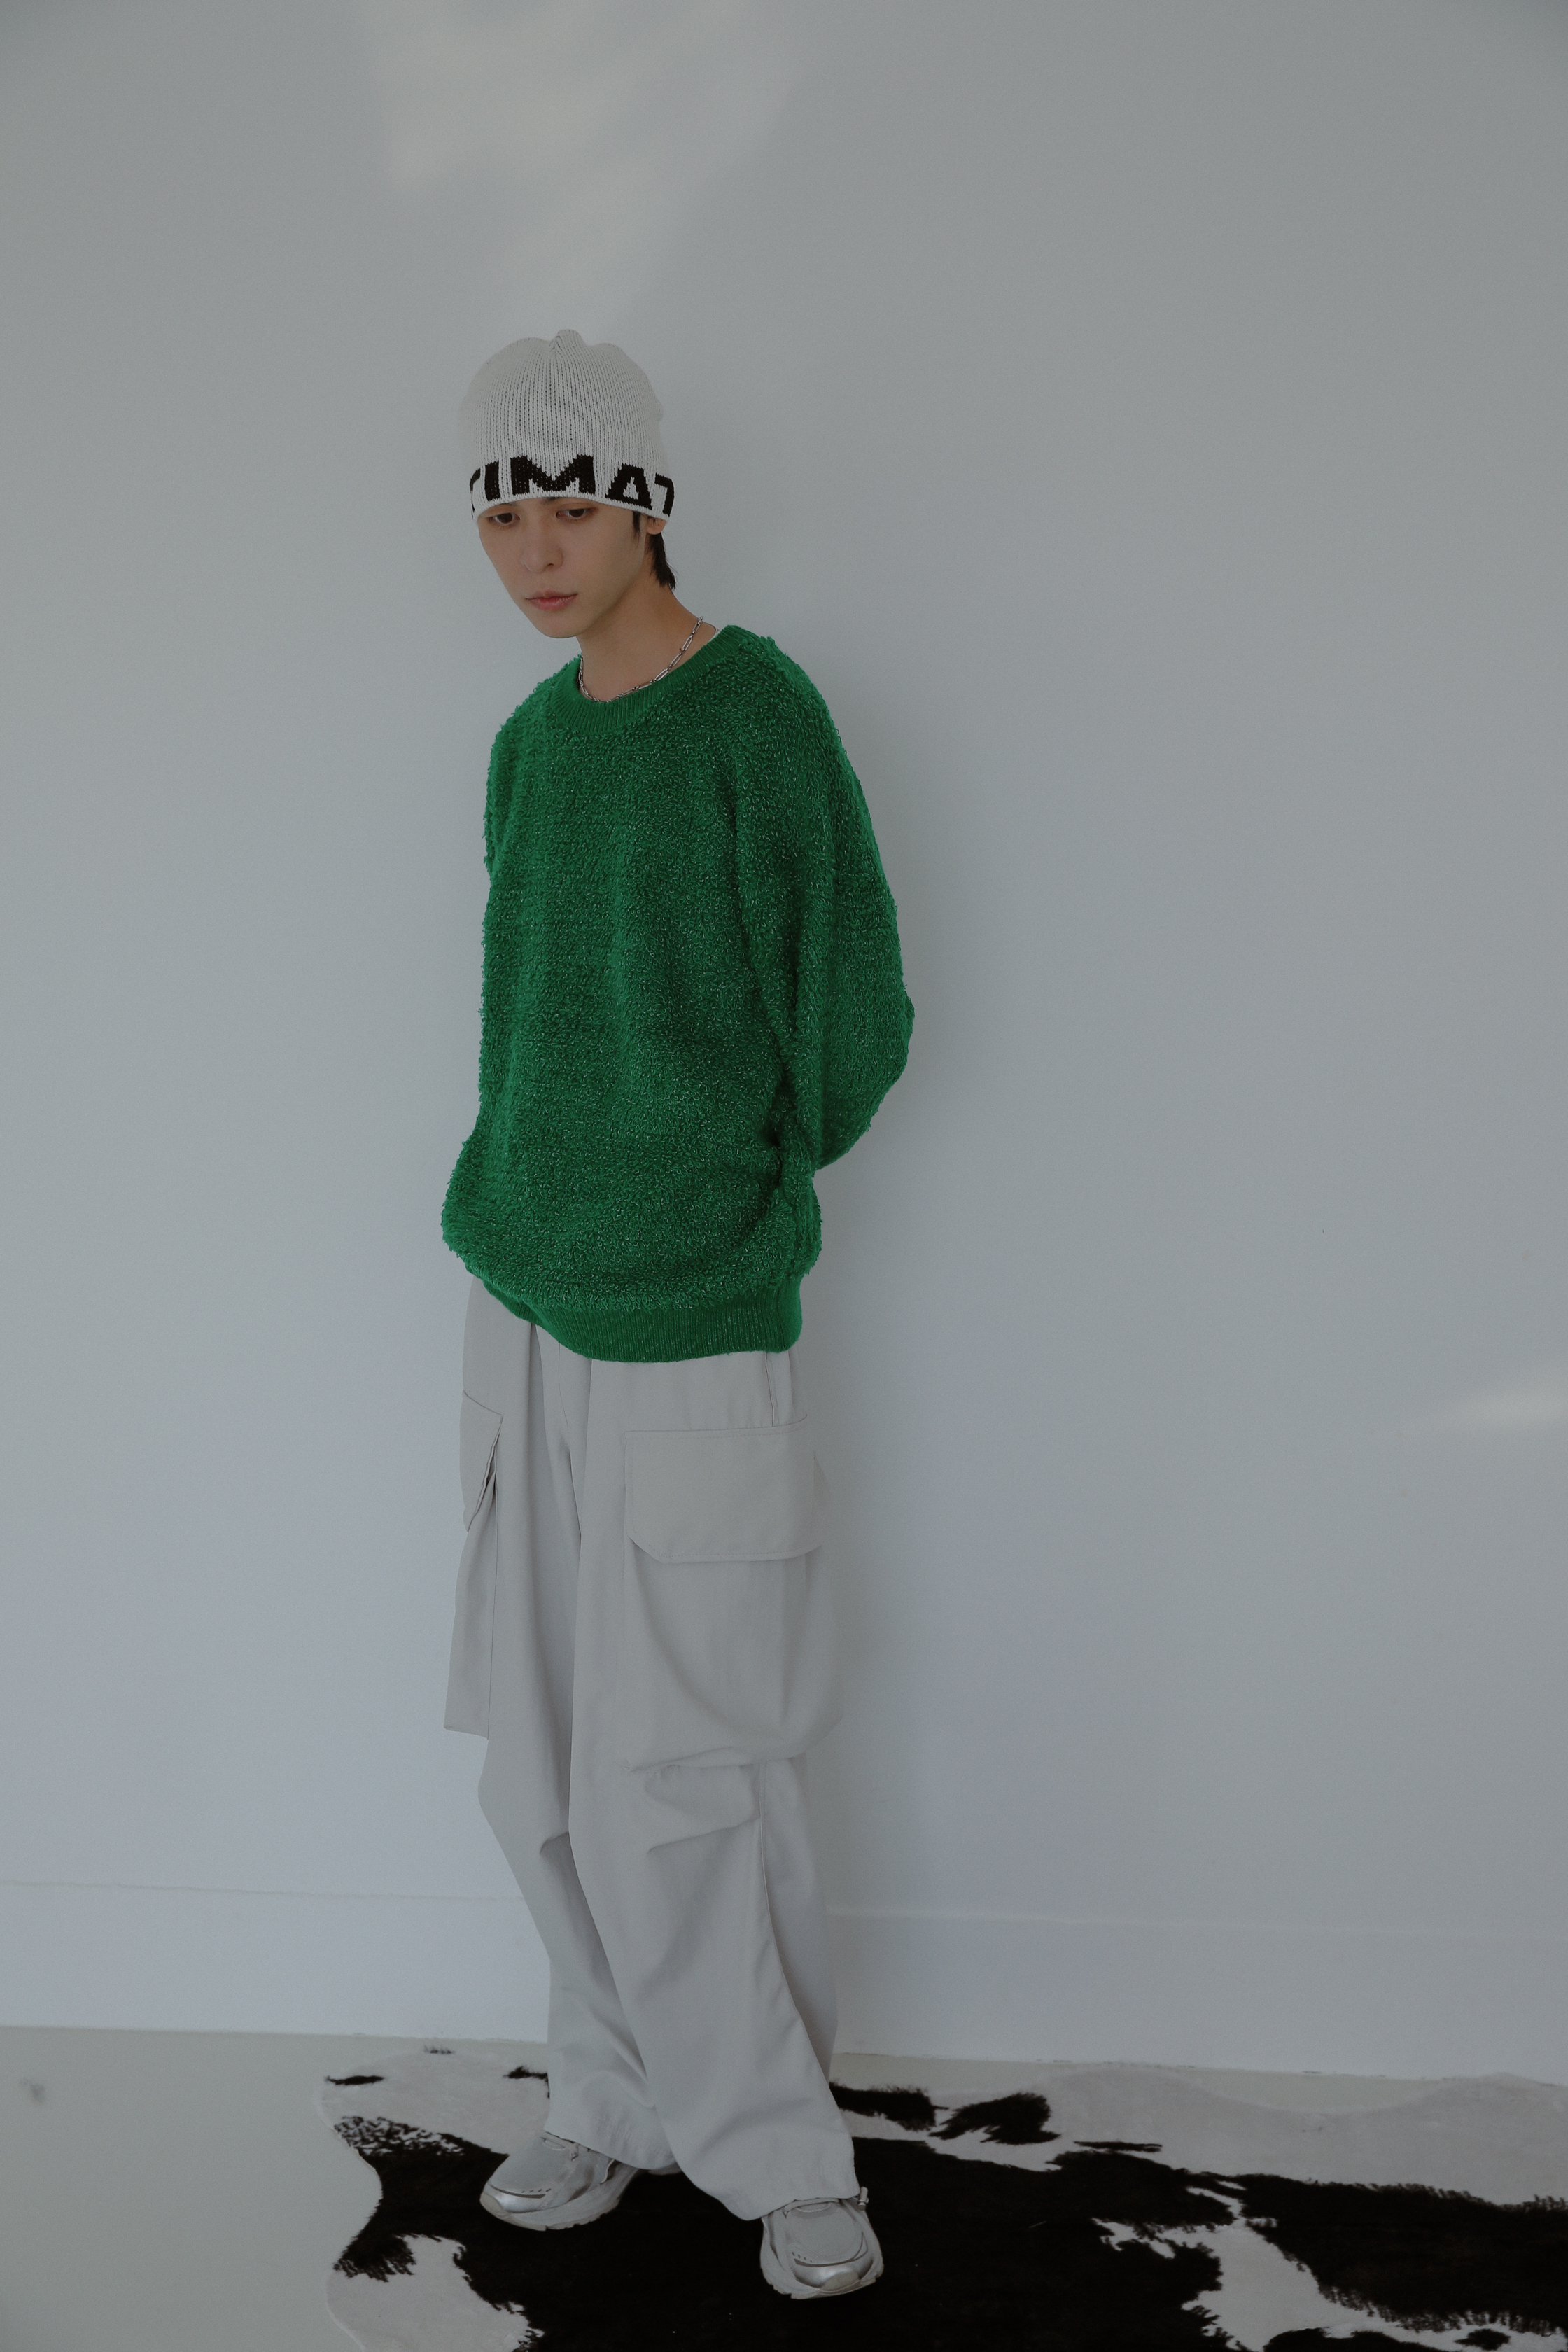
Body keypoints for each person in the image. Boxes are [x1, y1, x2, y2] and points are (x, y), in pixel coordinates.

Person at [439, 328, 914, 2302]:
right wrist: (535, 1193)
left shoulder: (756, 714)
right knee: (541, 1757)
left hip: (699, 1314)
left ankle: (778, 2146)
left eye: (570, 507)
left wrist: (731, 1188)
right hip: (519, 1300)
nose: (535, 553)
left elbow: (855, 1019)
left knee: (696, 1759)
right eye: (502, 516)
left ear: (645, 505)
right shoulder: (529, 744)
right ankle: (609, 2094)